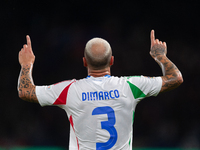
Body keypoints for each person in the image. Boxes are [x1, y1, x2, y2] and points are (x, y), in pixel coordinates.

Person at [18, 30, 183, 150]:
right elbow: (175, 78)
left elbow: (25, 91)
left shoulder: (69, 90)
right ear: (112, 61)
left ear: (84, 62)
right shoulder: (131, 86)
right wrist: (160, 56)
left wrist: (27, 64)